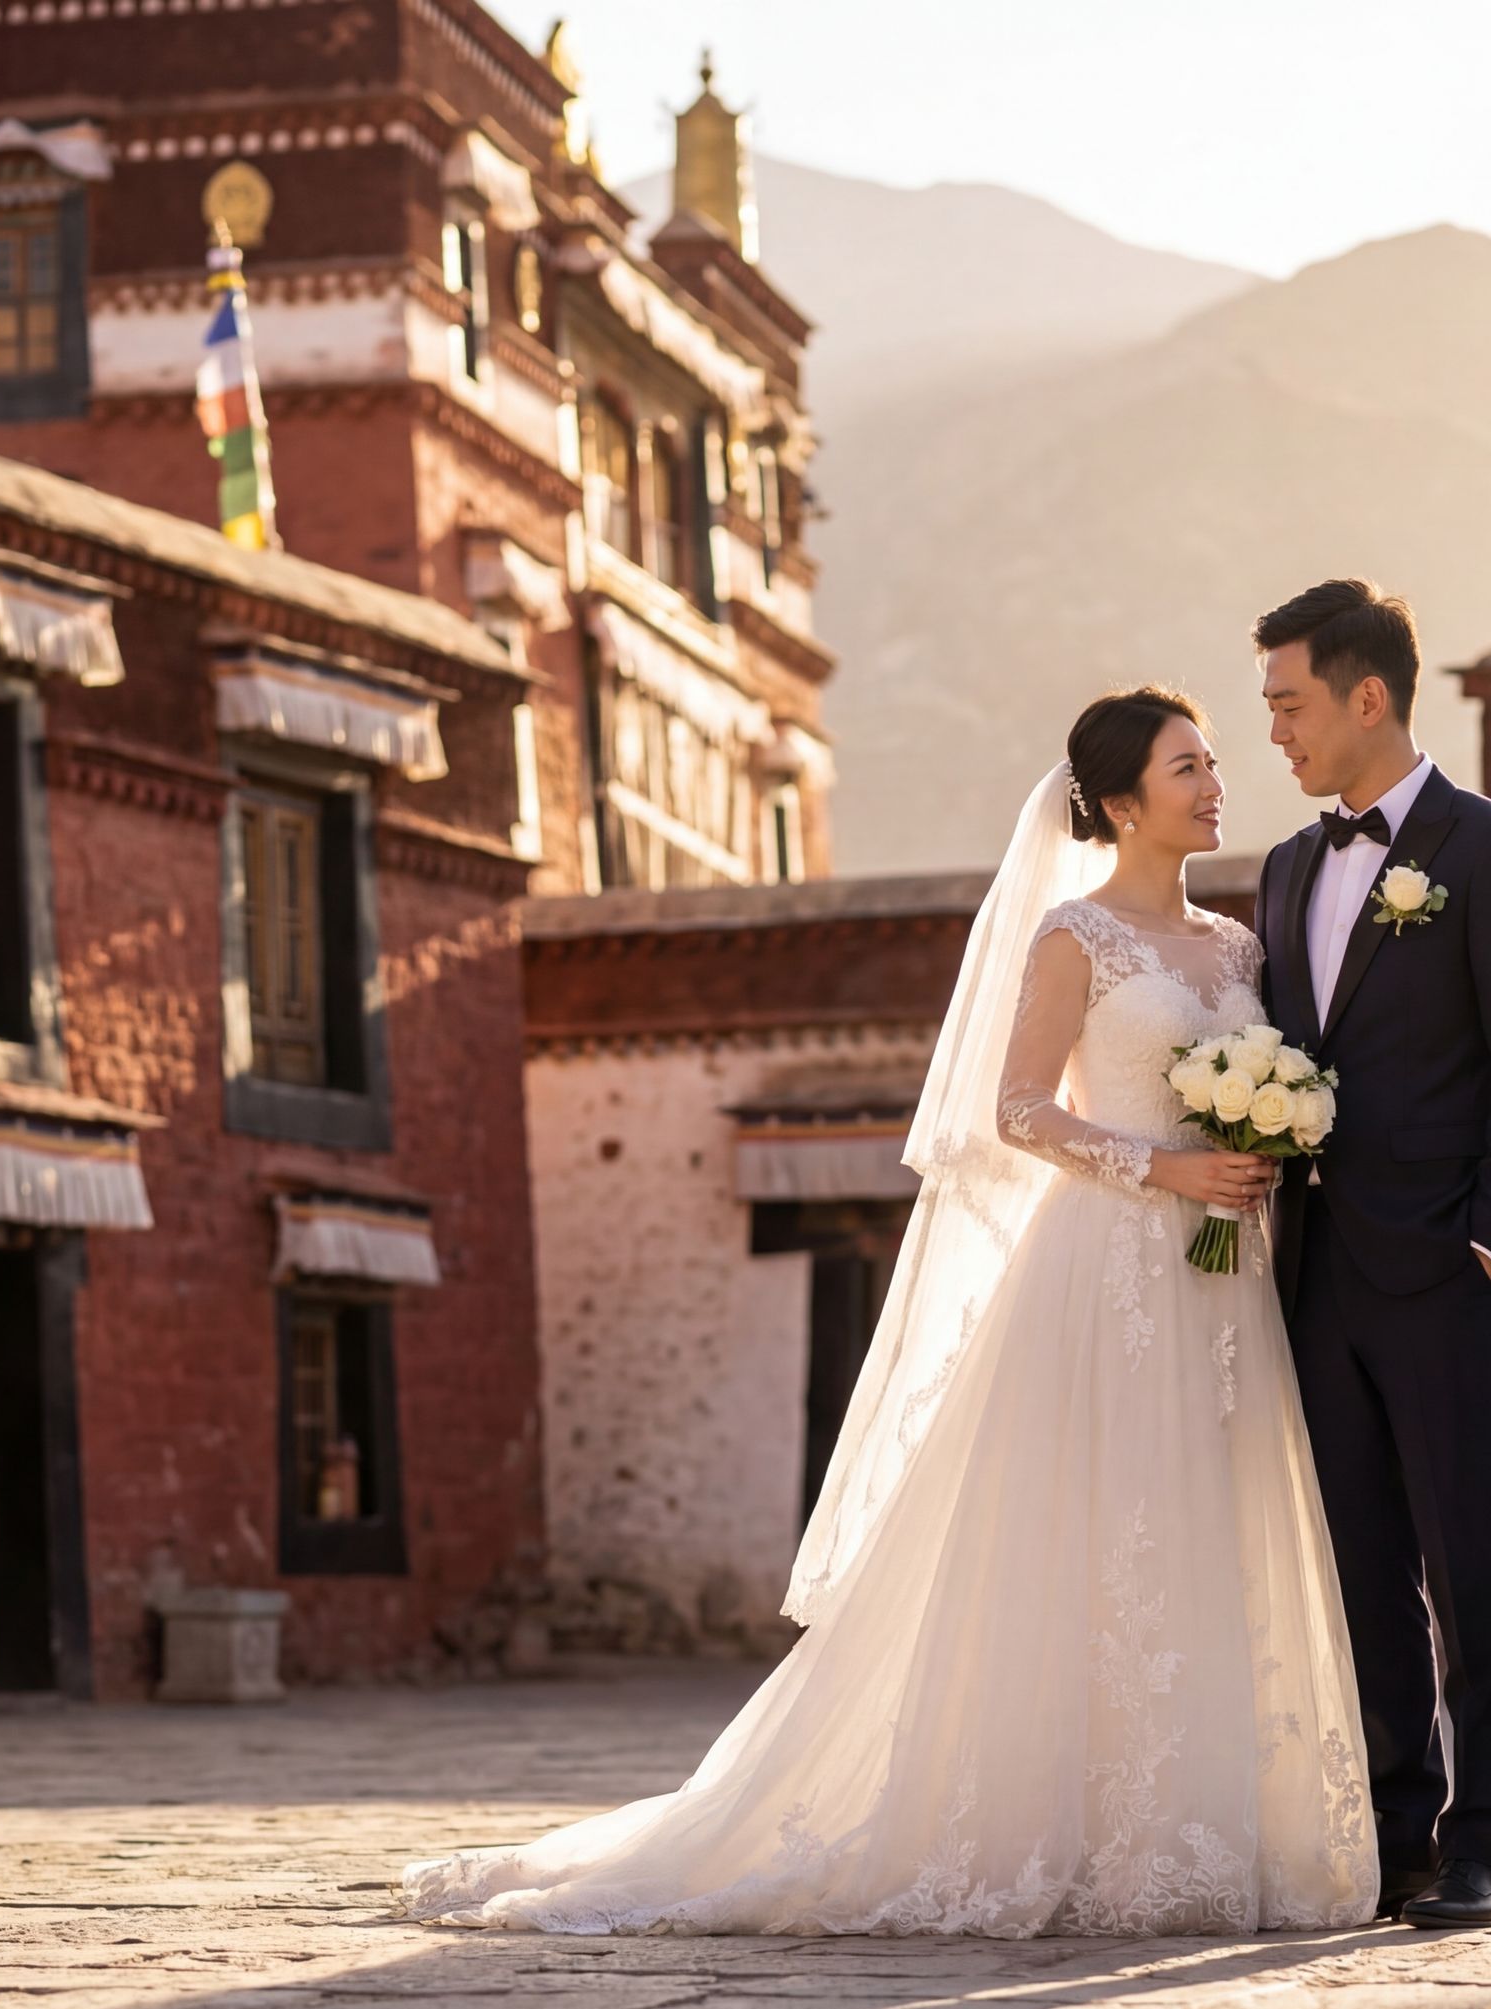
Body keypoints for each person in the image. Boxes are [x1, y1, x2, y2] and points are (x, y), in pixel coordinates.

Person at [399, 689, 1378, 1937]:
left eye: (1213, 762)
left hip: (1220, 1281)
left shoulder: (1238, 951)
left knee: (1207, 1520)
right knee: (1098, 1529)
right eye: (1187, 767)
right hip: (1105, 1269)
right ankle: (1066, 1831)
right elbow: (1018, 1109)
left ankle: (1196, 1826)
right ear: (1124, 802)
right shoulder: (1074, 938)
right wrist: (1165, 1170)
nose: (1214, 782)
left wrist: (1256, 1154)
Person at [1251, 580, 1491, 1931]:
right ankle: (1398, 1834)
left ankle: (1487, 1838)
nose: (1276, 731)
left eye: (1290, 704)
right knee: (1362, 1568)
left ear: (1368, 696)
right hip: (1316, 1271)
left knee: (1470, 1557)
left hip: (1446, 1269)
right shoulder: (1284, 868)